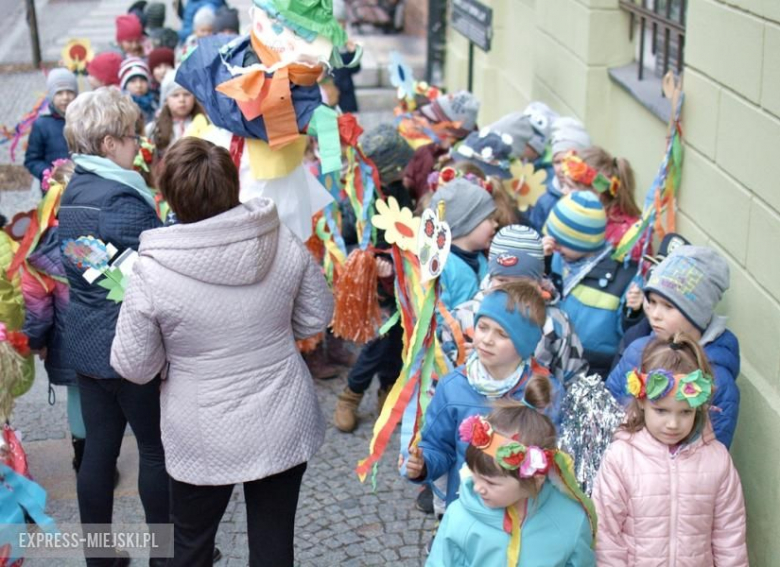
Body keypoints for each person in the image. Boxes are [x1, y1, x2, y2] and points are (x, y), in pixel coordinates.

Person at [111, 137, 333, 567]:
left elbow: (135, 365)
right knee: (273, 544)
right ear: (232, 183)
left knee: (190, 544)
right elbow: (314, 317)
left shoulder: (152, 270)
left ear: (170, 196)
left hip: (203, 428)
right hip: (282, 413)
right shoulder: (280, 237)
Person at [58, 87, 166, 567]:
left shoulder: (74, 191)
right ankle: (165, 556)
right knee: (154, 452)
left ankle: (99, 558)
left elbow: (88, 266)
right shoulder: (122, 197)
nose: (136, 146)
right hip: (129, 345)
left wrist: (113, 279)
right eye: (131, 137)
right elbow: (151, 272)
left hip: (87, 341)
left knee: (99, 452)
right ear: (108, 143)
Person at [593, 333, 748, 565]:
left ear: (699, 406)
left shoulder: (717, 460)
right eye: (661, 411)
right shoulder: (620, 458)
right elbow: (607, 536)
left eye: (685, 412)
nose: (673, 424)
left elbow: (730, 537)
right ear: (642, 402)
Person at [404, 283, 551, 506]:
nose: (487, 339)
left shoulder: (542, 391)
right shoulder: (453, 387)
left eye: (502, 334)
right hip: (467, 507)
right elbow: (437, 446)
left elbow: (553, 458)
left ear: (525, 343)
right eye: (482, 327)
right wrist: (423, 465)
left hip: (524, 512)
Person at [440, 225, 589, 424]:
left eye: (521, 283)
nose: (510, 290)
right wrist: (463, 361)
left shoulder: (555, 325)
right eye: (502, 280)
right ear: (490, 277)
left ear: (538, 281)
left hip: (532, 428)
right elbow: (440, 384)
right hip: (467, 427)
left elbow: (573, 384)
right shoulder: (462, 319)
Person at [428, 393, 596, 566]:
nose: (477, 488)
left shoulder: (570, 521)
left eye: (490, 482)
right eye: (474, 475)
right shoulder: (459, 516)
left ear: (536, 479)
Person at [606, 245, 741, 448]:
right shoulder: (637, 351)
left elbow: (713, 450)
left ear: (698, 314)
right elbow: (607, 410)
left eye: (668, 306)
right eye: (652, 302)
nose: (655, 314)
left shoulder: (718, 381)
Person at [333, 124, 415, 432]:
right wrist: (371, 262)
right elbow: (345, 241)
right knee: (378, 342)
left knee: (397, 338)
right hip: (372, 284)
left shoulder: (398, 190)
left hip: (400, 280)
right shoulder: (357, 200)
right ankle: (351, 395)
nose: (405, 171)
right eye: (400, 166)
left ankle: (388, 390)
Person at [19, 161, 87, 471]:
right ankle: (104, 459)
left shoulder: (37, 247)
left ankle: (82, 457)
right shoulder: (91, 240)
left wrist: (37, 343)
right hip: (105, 332)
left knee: (77, 395)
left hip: (65, 339)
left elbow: (38, 309)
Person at [544, 191, 635, 378]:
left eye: (560, 242)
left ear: (583, 243)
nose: (555, 246)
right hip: (551, 355)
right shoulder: (554, 258)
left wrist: (634, 312)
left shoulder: (622, 277)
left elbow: (629, 333)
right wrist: (541, 263)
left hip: (592, 368)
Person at [561, 147, 646, 261]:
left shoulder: (628, 238)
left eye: (570, 186)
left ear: (596, 193)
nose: (563, 191)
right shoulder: (575, 215)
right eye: (563, 185)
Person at [432, 177, 497, 312]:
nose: (495, 224)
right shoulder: (440, 267)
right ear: (467, 223)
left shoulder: (480, 258)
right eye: (489, 219)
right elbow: (437, 316)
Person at [526, 117, 591, 233]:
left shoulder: (594, 198)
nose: (562, 168)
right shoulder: (545, 202)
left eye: (568, 161)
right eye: (557, 162)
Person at [24, 68, 76, 181]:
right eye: (59, 93)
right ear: (51, 95)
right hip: (55, 186)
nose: (65, 97)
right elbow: (32, 160)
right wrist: (48, 174)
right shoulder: (41, 124)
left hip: (81, 185)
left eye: (69, 92)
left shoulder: (84, 120)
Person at [145, 69, 206, 159]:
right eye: (175, 95)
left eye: (187, 94)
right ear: (166, 100)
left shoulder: (206, 123)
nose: (182, 100)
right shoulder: (154, 129)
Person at [119, 56, 157, 122]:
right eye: (133, 81)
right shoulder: (121, 107)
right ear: (125, 85)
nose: (138, 85)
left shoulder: (155, 102)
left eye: (142, 80)